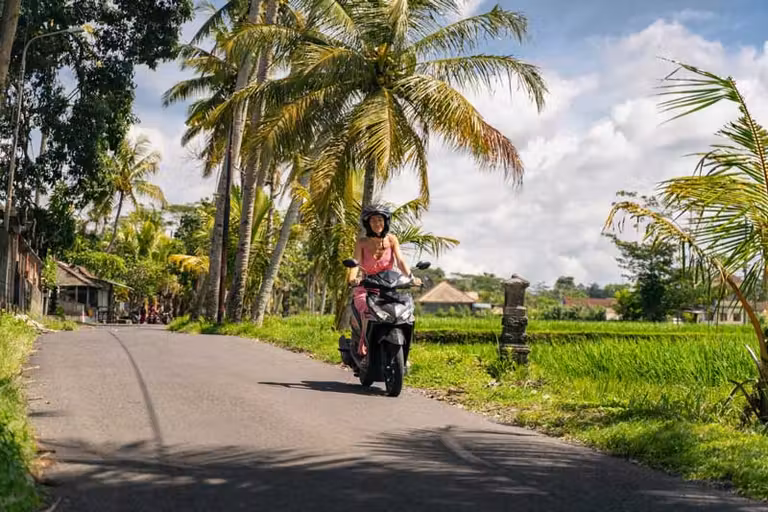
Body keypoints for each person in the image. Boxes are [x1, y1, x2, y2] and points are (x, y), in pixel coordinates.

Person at [347, 204, 421, 356]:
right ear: (367, 223)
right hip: (366, 287)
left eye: (380, 220)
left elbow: (400, 261)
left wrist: (411, 277)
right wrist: (352, 278)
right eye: (373, 221)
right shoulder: (362, 242)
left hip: (388, 289)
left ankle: (404, 350)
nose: (377, 224)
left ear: (385, 222)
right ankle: (363, 346)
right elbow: (356, 262)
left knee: (405, 312)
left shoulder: (392, 240)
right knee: (366, 309)